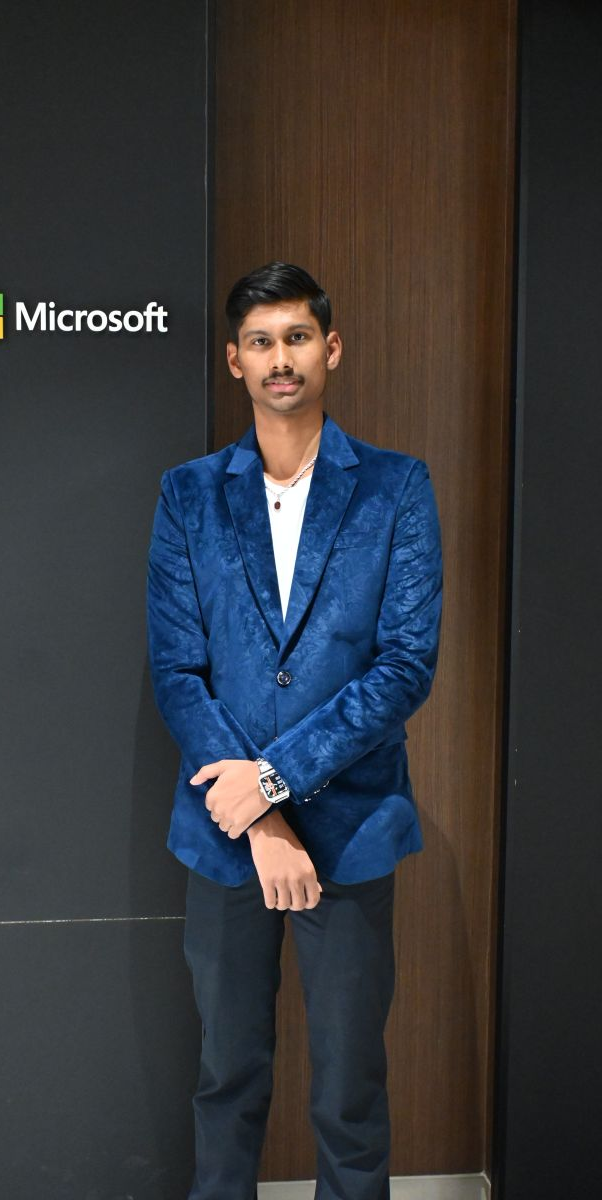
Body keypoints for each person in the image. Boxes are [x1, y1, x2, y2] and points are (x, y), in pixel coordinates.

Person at [146, 262, 443, 1200]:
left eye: (299, 338)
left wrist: (273, 781)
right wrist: (259, 818)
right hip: (227, 837)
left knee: (350, 1090)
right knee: (226, 1076)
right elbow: (178, 672)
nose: (283, 359)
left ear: (332, 348)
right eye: (263, 342)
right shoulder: (188, 495)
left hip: (351, 831)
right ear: (235, 361)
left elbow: (403, 666)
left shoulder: (397, 489)